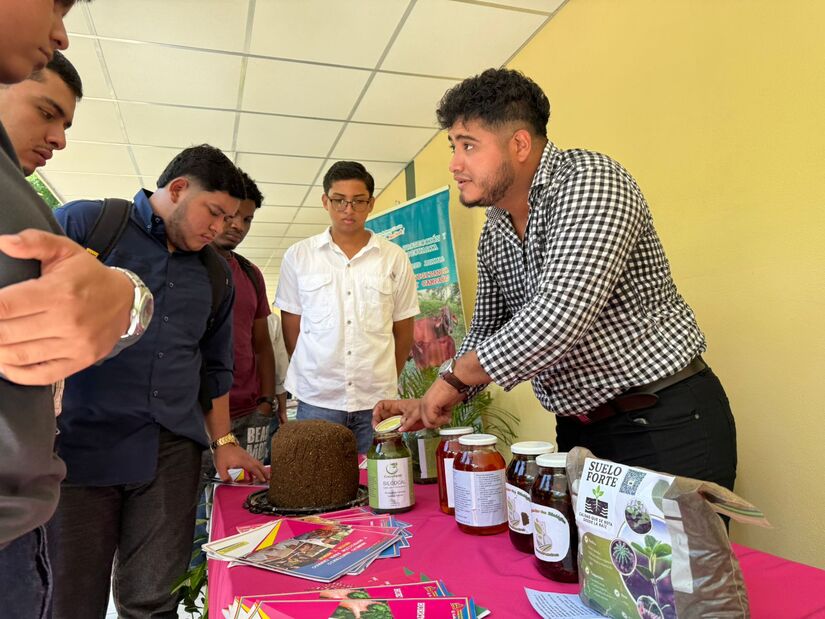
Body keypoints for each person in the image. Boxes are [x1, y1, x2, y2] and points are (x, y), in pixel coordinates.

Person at [374, 68, 737, 491]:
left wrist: (453, 378)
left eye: (468, 146)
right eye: (453, 146)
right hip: (580, 432)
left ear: (520, 144)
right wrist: (433, 398)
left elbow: (558, 317)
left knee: (671, 540)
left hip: (662, 421)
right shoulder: (496, 229)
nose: (455, 164)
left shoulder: (590, 181)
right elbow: (487, 329)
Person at [51, 145, 267, 618]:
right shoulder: (89, 226)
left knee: (153, 601)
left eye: (230, 219)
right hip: (78, 451)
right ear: (178, 189)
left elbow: (215, 366)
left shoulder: (216, 273)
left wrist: (224, 441)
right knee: (69, 600)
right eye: (214, 212)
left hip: (169, 453)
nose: (219, 228)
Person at [0, 2, 146, 617]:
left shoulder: (20, 192)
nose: (61, 31)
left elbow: (86, 310)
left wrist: (125, 300)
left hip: (21, 518)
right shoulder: (86, 216)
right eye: (46, 112)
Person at [276, 161, 419, 454]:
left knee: (380, 478)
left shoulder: (394, 258)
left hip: (377, 402)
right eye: (339, 200)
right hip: (318, 399)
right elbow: (292, 329)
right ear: (325, 201)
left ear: (371, 204)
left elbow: (403, 330)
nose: (348, 209)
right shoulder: (299, 256)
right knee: (317, 479)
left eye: (358, 201)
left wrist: (384, 377)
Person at [211, 171, 276, 460]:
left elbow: (262, 344)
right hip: (200, 417)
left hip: (251, 414)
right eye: (232, 215)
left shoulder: (251, 274)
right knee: (199, 490)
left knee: (251, 486)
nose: (238, 225)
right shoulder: (184, 268)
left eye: (247, 219)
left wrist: (266, 402)